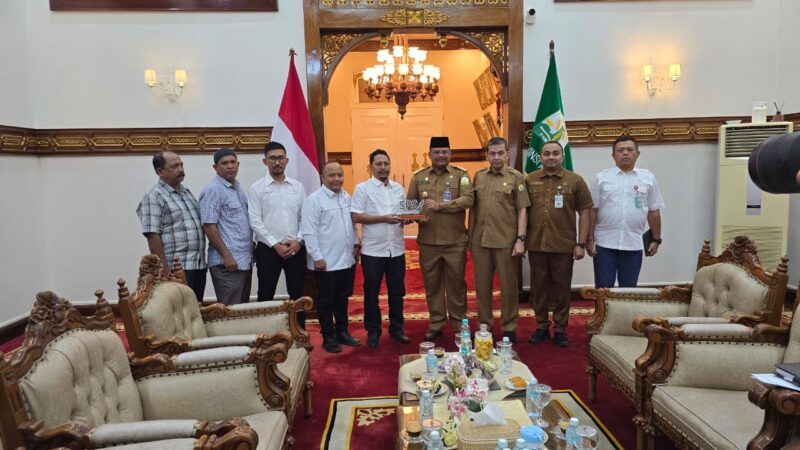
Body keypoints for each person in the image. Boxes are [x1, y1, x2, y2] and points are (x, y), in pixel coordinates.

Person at [525, 141, 592, 347]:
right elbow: (521, 212)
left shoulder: (575, 181)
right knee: (539, 289)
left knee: (562, 289)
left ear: (562, 157)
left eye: (555, 153)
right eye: (546, 154)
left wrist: (581, 243)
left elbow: (585, 212)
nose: (551, 157)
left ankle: (561, 328)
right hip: (536, 244)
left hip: (564, 246)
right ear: (540, 157)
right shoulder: (530, 179)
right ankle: (542, 326)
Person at [407, 136, 473, 341]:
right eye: (437, 152)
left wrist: (440, 206)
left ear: (450, 154)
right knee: (432, 285)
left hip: (455, 241)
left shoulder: (461, 175)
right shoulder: (419, 177)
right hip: (428, 243)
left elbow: (468, 199)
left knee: (456, 285)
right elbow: (409, 207)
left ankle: (459, 323)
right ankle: (436, 323)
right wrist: (420, 218)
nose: (441, 156)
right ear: (430, 154)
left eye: (445, 152)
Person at [469, 137, 529, 343]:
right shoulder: (478, 177)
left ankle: (509, 327)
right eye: (492, 153)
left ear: (507, 154)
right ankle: (484, 325)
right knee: (482, 287)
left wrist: (521, 239)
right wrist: (470, 237)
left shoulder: (516, 178)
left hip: (506, 241)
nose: (496, 157)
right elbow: (473, 210)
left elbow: (522, 210)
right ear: (486, 155)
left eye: (500, 153)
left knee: (508, 288)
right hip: (481, 241)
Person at [588, 135, 665, 288]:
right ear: (613, 155)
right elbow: (592, 211)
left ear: (637, 153)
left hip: (633, 243)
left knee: (629, 289)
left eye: (630, 150)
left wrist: (656, 239)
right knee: (603, 290)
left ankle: (625, 314)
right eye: (620, 150)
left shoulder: (648, 178)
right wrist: (589, 239)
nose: (625, 153)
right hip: (604, 243)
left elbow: (653, 211)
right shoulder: (602, 178)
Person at [300, 161, 361, 353]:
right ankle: (328, 337)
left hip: (346, 259)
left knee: (342, 297)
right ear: (323, 178)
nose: (336, 179)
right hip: (325, 261)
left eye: (339, 175)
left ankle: (343, 332)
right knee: (326, 301)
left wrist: (356, 242)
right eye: (332, 175)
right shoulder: (314, 200)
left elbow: (351, 225)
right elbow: (308, 232)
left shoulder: (346, 197)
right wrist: (317, 257)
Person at [351, 149, 410, 347]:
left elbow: (404, 214)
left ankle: (396, 329)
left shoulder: (398, 188)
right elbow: (356, 216)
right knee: (371, 293)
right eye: (379, 164)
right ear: (371, 167)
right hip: (373, 251)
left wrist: (410, 218)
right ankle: (373, 330)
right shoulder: (362, 189)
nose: (383, 167)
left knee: (397, 292)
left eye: (386, 163)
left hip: (397, 250)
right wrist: (383, 218)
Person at [248, 141, 307, 327]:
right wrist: (275, 244)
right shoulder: (257, 188)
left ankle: (300, 335)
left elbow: (305, 217)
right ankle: (264, 336)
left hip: (295, 249)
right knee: (265, 294)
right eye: (272, 158)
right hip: (268, 250)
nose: (277, 162)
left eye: (280, 158)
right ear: (265, 161)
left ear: (287, 160)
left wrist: (298, 241)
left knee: (298, 294)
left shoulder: (297, 187)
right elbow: (255, 221)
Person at [137, 150, 207, 301]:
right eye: (174, 166)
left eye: (181, 165)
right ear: (159, 171)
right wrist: (165, 272)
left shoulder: (186, 192)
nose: (181, 169)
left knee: (195, 311)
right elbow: (152, 235)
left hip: (198, 264)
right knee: (181, 314)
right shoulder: (154, 196)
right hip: (176, 268)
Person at [199, 148, 253, 305]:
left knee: (241, 313)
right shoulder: (213, 190)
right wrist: (226, 255)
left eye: (233, 162)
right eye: (225, 163)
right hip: (227, 264)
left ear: (238, 164)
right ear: (215, 167)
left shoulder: (236, 188)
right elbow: (209, 226)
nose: (230, 166)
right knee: (230, 313)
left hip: (243, 261)